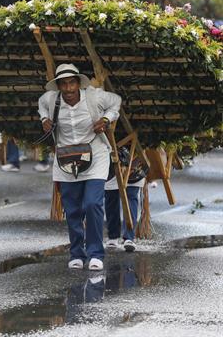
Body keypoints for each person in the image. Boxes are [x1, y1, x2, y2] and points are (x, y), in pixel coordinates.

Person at [38, 64, 121, 271]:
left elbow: (116, 101)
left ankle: (95, 254)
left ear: (78, 83)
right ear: (58, 86)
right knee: (73, 209)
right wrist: (44, 119)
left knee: (92, 204)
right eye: (63, 84)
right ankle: (76, 253)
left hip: (96, 155)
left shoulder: (93, 96)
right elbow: (40, 105)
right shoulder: (50, 99)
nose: (68, 89)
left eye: (71, 83)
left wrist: (105, 119)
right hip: (66, 159)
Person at [104, 150, 145, 252]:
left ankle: (129, 237)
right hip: (111, 159)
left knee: (131, 195)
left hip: (134, 158)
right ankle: (113, 236)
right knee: (111, 197)